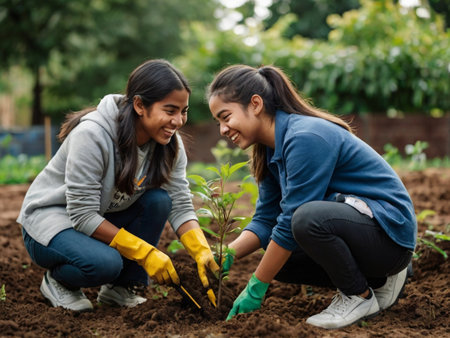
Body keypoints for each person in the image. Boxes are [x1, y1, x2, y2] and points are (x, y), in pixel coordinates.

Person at [207, 64, 416, 329]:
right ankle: (378, 280)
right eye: (218, 122)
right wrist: (227, 254)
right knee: (278, 259)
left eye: (226, 117)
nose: (223, 129)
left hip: (390, 234)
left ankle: (357, 295)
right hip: (364, 229)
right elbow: (266, 220)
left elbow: (294, 217)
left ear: (256, 104)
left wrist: (256, 286)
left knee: (305, 219)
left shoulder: (305, 136)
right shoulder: (269, 151)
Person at [17, 59, 219, 312]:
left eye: (183, 111)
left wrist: (200, 250)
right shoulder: (92, 135)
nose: (178, 121)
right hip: (51, 223)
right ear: (139, 105)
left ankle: (121, 288)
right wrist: (144, 253)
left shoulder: (170, 145)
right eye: (170, 111)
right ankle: (59, 282)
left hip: (98, 216)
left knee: (159, 201)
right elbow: (82, 214)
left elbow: (179, 202)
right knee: (105, 264)